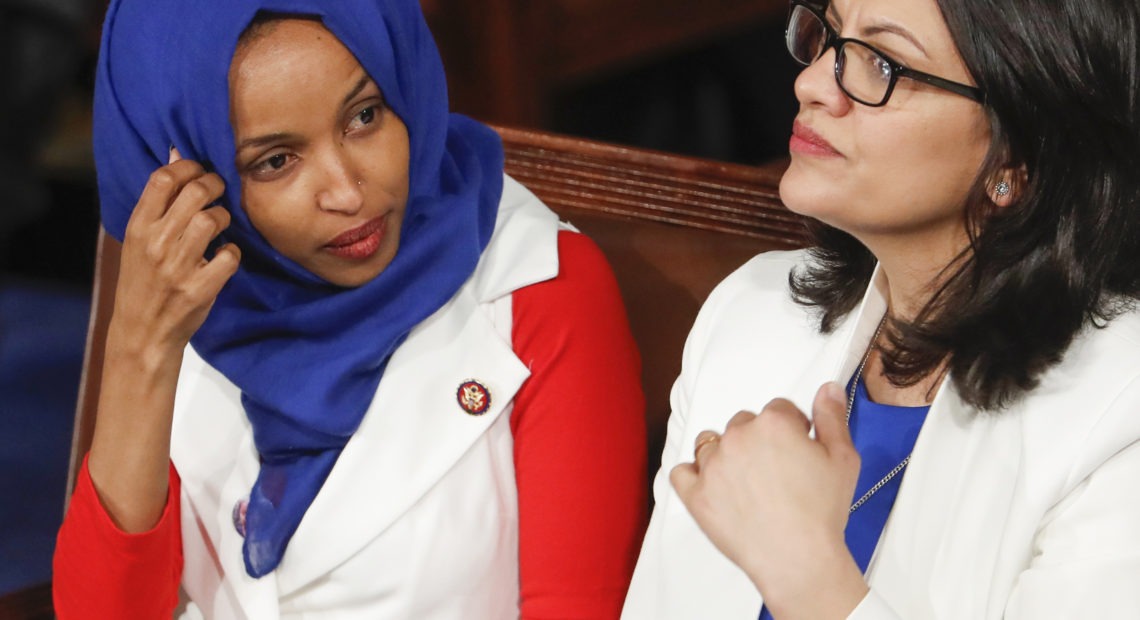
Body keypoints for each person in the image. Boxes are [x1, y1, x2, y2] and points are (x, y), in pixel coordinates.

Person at [53, 1, 648, 617]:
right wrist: (138, 355)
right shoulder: (183, 292)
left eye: (364, 116)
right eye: (276, 161)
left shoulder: (542, 286)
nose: (346, 192)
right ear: (190, 176)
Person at [622, 0, 1140, 617]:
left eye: (883, 62)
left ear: (1017, 159)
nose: (811, 82)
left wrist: (810, 579)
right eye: (832, 34)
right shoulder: (752, 311)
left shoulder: (1119, 417)